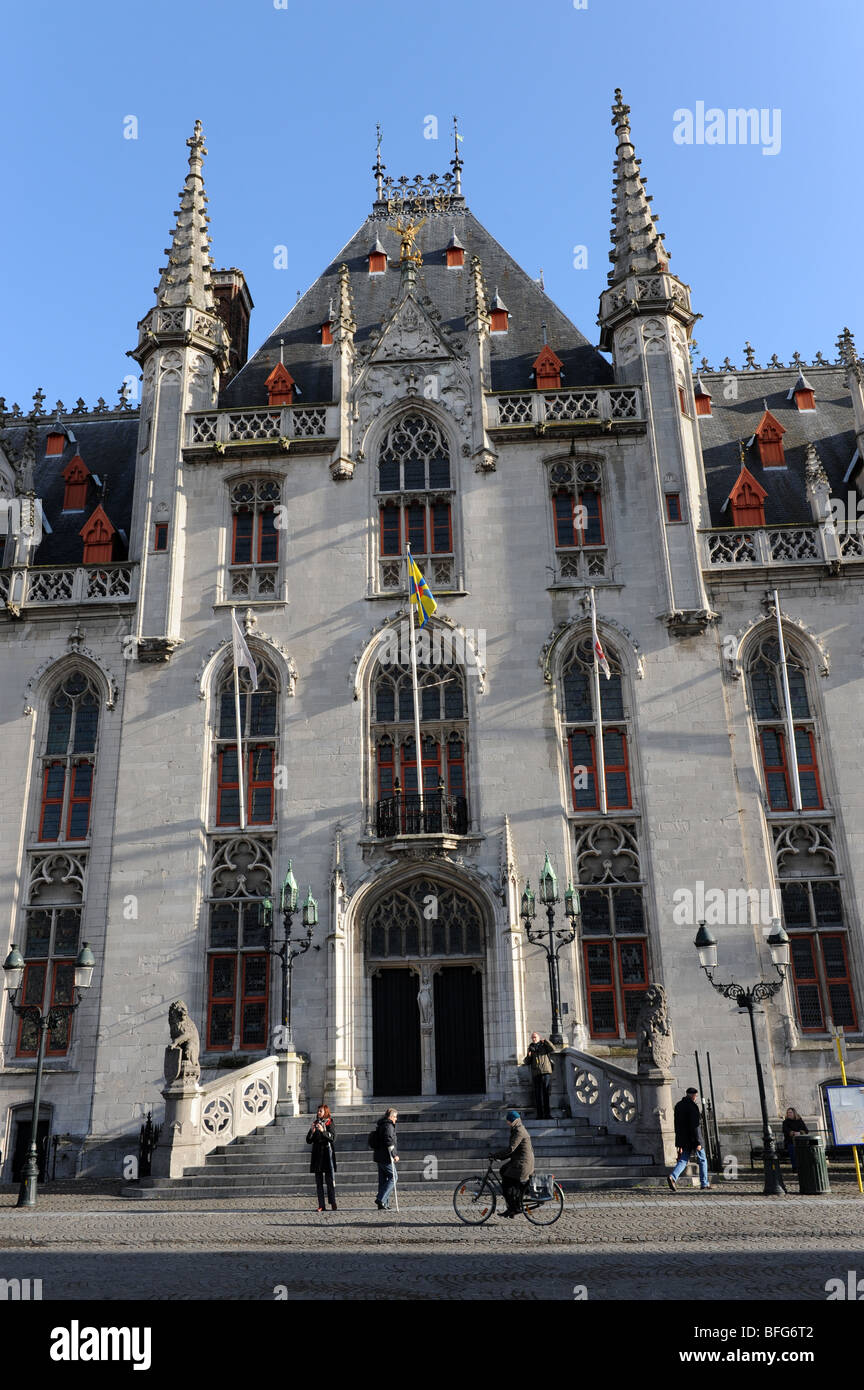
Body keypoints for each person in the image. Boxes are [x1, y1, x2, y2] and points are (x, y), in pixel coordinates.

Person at [493, 1109, 535, 1217]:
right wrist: (500, 1158)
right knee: (503, 1170)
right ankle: (514, 1200)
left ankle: (513, 1208)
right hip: (520, 1161)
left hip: (522, 1164)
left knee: (506, 1182)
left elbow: (511, 1148)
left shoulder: (519, 1131)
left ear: (512, 1121)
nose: (507, 1123)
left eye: (508, 1121)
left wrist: (496, 1155)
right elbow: (514, 1151)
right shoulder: (517, 1128)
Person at [668, 1087, 711, 1191]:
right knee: (702, 1159)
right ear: (692, 1095)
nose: (696, 1098)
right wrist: (698, 1141)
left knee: (683, 1159)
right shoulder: (692, 1107)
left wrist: (679, 1141)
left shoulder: (678, 1105)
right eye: (696, 1096)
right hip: (694, 1138)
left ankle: (673, 1177)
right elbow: (695, 1126)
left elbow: (677, 1124)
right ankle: (704, 1183)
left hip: (683, 1138)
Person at [305, 1104, 337, 1211]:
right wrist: (312, 1131)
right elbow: (308, 1140)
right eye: (318, 1111)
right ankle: (321, 1205)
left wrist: (323, 1131)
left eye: (321, 1111)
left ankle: (332, 1202)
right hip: (317, 1156)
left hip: (327, 1155)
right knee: (319, 1182)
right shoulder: (315, 1123)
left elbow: (333, 1138)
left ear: (325, 1112)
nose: (318, 1113)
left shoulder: (329, 1123)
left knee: (329, 1181)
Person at [523, 1032, 556, 1119]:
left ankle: (547, 1114)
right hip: (536, 1074)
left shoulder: (543, 1045)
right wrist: (528, 1056)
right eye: (532, 1037)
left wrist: (546, 1041)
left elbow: (553, 1049)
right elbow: (527, 1062)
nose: (534, 1039)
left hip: (545, 1072)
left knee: (546, 1094)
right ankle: (540, 1115)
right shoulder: (530, 1048)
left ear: (539, 1037)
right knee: (538, 1095)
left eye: (535, 1037)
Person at [373, 1107, 399, 1210]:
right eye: (395, 1117)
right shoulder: (388, 1125)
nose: (396, 1119)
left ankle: (383, 1203)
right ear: (391, 1116)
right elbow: (388, 1140)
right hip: (386, 1157)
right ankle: (381, 1198)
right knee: (394, 1177)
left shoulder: (382, 1124)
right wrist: (394, 1155)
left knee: (383, 1180)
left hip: (379, 1156)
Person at [782, 1107, 808, 1172]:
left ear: (794, 1113)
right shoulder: (785, 1122)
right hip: (790, 1141)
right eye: (788, 1113)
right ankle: (795, 1167)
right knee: (793, 1150)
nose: (789, 1114)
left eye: (790, 1112)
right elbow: (786, 1131)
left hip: (801, 1141)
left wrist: (800, 1132)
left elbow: (806, 1130)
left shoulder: (799, 1121)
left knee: (804, 1150)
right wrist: (793, 1133)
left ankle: (803, 1166)